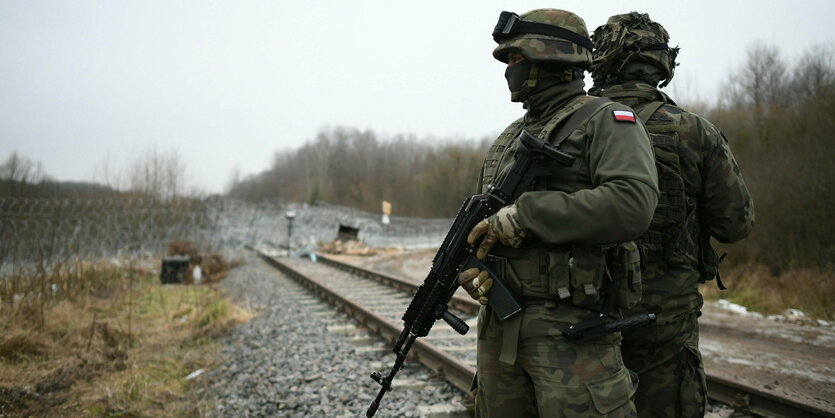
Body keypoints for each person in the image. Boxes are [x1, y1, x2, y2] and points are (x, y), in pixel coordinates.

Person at [456, 9, 659, 417]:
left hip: (571, 334)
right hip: (500, 332)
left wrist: (526, 216)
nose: (508, 71)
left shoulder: (607, 120)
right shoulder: (509, 138)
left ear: (548, 58)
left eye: (515, 59)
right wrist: (473, 268)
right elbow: (483, 224)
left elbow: (632, 203)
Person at [589, 12, 754, 417]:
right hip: (664, 312)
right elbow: (735, 224)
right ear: (663, 65)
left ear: (602, 61)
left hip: (582, 303)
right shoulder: (694, 132)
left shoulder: (570, 125)